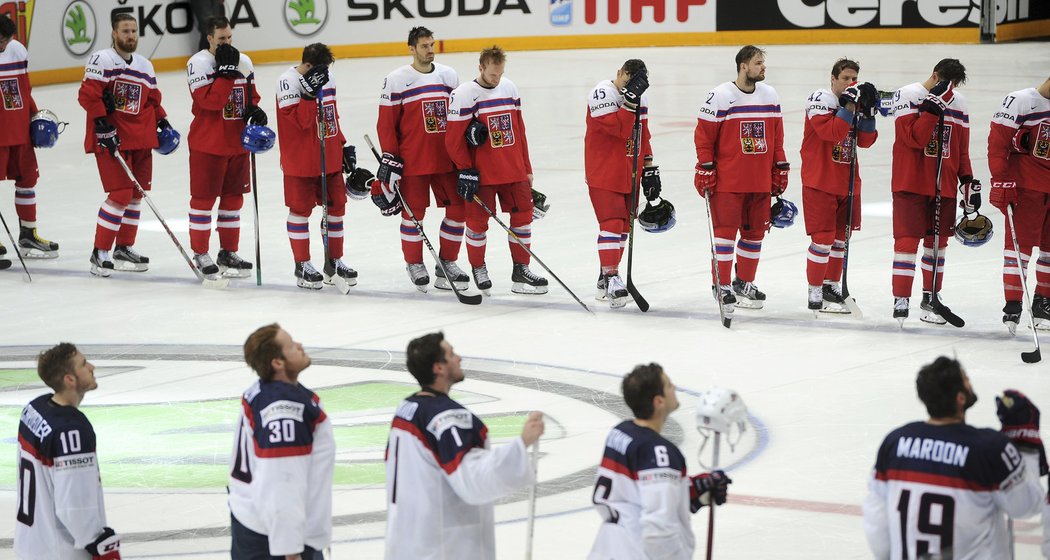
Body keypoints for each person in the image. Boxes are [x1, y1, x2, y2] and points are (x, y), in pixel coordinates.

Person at [862, 356, 1045, 559]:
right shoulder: (988, 448)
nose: (970, 383)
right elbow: (1026, 505)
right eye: (966, 379)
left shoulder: (894, 444)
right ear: (960, 398)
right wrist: (1026, 444)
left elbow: (877, 529)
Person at [384, 332, 544, 559]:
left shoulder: (407, 409)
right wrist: (522, 443)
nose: (458, 358)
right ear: (439, 367)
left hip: (407, 544)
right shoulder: (448, 418)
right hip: (443, 548)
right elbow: (473, 480)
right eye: (451, 354)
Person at [588, 363, 731, 559]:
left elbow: (639, 496)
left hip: (609, 548)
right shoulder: (659, 453)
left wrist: (695, 489)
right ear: (659, 401)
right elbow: (658, 529)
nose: (674, 388)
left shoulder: (620, 432)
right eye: (669, 385)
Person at [446, 46, 548, 295]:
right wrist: (465, 170)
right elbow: (452, 140)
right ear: (480, 67)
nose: (497, 79)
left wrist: (526, 167)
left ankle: (520, 270)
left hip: (513, 171)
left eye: (500, 73)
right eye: (492, 74)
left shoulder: (509, 88)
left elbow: (519, 129)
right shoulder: (464, 94)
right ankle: (478, 267)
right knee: (478, 223)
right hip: (483, 174)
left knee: (523, 220)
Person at [77, 13, 173, 277]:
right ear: (114, 33)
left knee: (135, 195)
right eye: (125, 31)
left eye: (134, 31)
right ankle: (100, 252)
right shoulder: (102, 59)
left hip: (141, 138)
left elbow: (152, 100)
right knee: (120, 194)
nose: (131, 36)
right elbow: (87, 94)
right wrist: (100, 122)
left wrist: (162, 121)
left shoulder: (145, 65)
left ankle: (124, 247)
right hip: (112, 140)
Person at [694, 45, 788, 313]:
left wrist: (780, 166)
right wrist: (706, 167)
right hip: (728, 182)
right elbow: (704, 135)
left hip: (759, 182)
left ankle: (743, 282)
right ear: (743, 66)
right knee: (724, 235)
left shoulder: (770, 95)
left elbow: (777, 136)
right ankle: (721, 285)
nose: (763, 68)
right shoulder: (720, 96)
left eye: (763, 63)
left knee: (755, 235)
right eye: (758, 63)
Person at [376, 26, 470, 293]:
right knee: (413, 214)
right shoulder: (396, 79)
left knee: (458, 212)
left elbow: (458, 116)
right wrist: (391, 161)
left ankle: (447, 263)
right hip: (413, 161)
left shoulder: (449, 75)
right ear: (412, 49)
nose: (430, 50)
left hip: (446, 160)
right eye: (425, 46)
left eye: (432, 44)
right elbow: (386, 125)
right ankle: (414, 263)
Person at [228, 324, 334, 559]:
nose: (299, 346)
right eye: (291, 345)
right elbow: (281, 482)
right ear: (278, 363)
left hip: (255, 524)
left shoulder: (264, 391)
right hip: (275, 540)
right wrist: (291, 551)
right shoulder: (284, 411)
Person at [15, 343, 121, 560]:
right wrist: (98, 544)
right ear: (69, 379)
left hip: (30, 544)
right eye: (83, 365)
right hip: (61, 552)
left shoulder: (34, 408)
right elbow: (74, 505)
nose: (91, 367)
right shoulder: (71, 432)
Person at [889, 59, 975, 324]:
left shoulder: (958, 102)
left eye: (954, 85)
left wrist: (968, 180)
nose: (951, 89)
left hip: (944, 186)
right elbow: (913, 139)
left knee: (937, 247)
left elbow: (961, 148)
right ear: (934, 75)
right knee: (906, 243)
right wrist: (932, 109)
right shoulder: (907, 94)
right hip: (910, 183)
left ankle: (931, 298)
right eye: (945, 83)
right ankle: (901, 299)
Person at [185, 16, 263, 280]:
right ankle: (200, 252)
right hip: (208, 144)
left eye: (230, 38)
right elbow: (210, 103)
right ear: (209, 38)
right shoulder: (198, 63)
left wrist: (255, 111)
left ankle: (228, 251)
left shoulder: (244, 61)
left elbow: (251, 95)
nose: (227, 43)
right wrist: (226, 74)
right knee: (203, 201)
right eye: (221, 39)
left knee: (232, 201)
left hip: (237, 144)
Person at [275, 42, 357, 290]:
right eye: (318, 70)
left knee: (336, 208)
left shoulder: (327, 77)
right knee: (300, 210)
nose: (324, 74)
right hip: (299, 160)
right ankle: (302, 264)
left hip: (329, 156)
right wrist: (309, 95)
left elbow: (332, 113)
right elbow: (299, 122)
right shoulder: (287, 82)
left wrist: (341, 145)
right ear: (308, 65)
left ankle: (334, 260)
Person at [800, 58, 879, 313]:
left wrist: (867, 112)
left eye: (853, 78)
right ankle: (814, 288)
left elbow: (865, 142)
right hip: (820, 180)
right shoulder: (820, 98)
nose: (849, 82)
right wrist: (849, 105)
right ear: (832, 79)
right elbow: (831, 133)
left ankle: (831, 287)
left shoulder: (852, 103)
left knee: (839, 240)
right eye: (845, 78)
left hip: (846, 182)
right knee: (822, 239)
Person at [585, 59, 659, 308]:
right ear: (619, 73)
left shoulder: (641, 99)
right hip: (603, 171)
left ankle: (605, 277)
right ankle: (611, 277)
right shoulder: (602, 93)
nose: (632, 86)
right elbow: (619, 130)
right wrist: (629, 100)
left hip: (631, 172)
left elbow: (643, 134)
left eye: (637, 83)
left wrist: (649, 168)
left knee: (624, 228)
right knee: (611, 224)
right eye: (629, 80)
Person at [988, 75, 1050, 331]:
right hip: (1027, 187)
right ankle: (1012, 307)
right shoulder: (1021, 100)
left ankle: (1042, 303)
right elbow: (997, 143)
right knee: (1019, 250)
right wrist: (1001, 180)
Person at [0, 15, 59, 263]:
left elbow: (25, 88)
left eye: (7, 40)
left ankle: (28, 234)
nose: (4, 45)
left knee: (27, 180)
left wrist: (35, 117)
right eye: (1, 41)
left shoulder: (16, 50)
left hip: (19, 130)